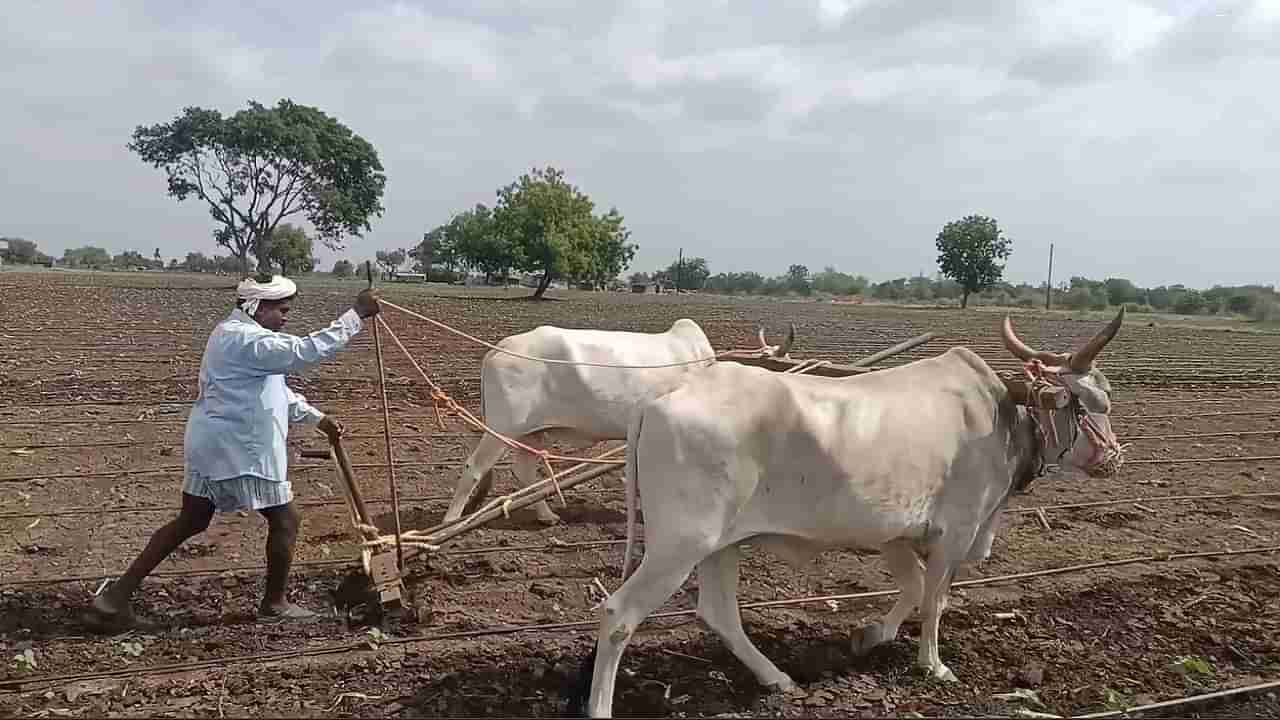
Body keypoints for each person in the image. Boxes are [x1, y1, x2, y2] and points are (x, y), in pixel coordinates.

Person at [85, 275, 382, 629]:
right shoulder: (242, 339)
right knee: (286, 519)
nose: (285, 318)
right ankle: (275, 604)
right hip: (240, 449)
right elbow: (304, 352)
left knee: (191, 521)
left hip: (216, 445)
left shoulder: (242, 338)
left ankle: (114, 599)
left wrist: (317, 418)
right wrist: (355, 315)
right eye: (281, 311)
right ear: (257, 307)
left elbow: (275, 390)